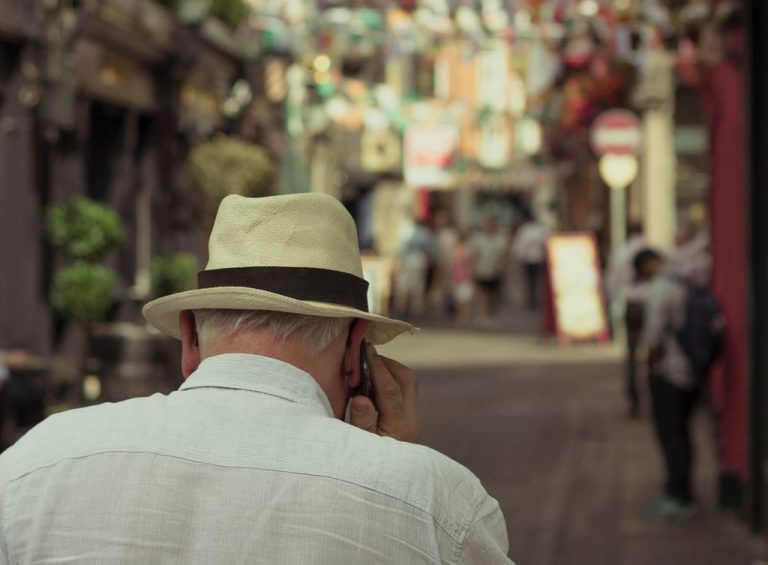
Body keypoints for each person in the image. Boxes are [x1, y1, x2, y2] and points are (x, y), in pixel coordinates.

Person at [0, 193, 514, 563]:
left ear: (190, 338)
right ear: (356, 347)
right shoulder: (436, 504)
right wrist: (396, 464)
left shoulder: (33, 465)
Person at [634, 248, 700, 520]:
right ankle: (684, 491)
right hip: (692, 368)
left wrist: (648, 365)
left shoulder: (661, 288)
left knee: (670, 434)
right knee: (682, 432)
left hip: (669, 371)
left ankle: (677, 495)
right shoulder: (685, 280)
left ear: (649, 264)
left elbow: (654, 333)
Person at [605, 222, 652, 418]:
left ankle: (634, 399)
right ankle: (653, 395)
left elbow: (612, 281)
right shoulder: (651, 249)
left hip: (631, 305)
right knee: (653, 352)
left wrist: (615, 300)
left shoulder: (620, 252)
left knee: (632, 355)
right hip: (649, 304)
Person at [471, 216, 508, 327]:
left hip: (495, 271)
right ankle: (482, 315)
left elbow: (504, 253)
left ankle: (491, 315)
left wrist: (500, 265)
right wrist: (474, 267)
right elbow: (474, 254)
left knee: (492, 295)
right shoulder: (478, 238)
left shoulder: (500, 238)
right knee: (482, 293)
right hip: (482, 269)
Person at [511, 213, 549, 311]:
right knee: (533, 279)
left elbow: (520, 244)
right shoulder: (535, 229)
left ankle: (533, 297)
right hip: (532, 258)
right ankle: (533, 297)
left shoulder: (529, 229)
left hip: (533, 258)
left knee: (533, 279)